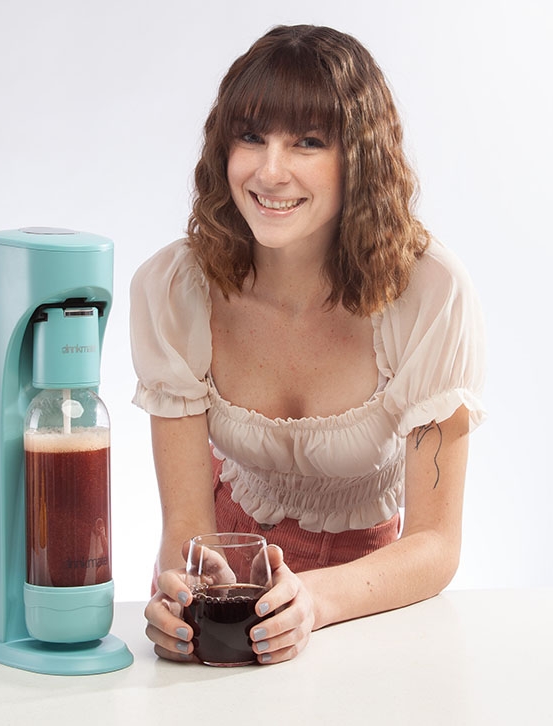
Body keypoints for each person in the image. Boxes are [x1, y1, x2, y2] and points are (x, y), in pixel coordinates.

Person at [129, 24, 486, 664]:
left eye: (309, 142)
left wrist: (312, 602)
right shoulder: (175, 287)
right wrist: (184, 590)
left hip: (365, 600)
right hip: (227, 593)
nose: (270, 171)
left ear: (360, 158)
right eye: (251, 137)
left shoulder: (429, 291)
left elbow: (435, 543)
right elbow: (186, 529)